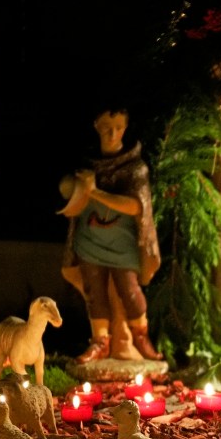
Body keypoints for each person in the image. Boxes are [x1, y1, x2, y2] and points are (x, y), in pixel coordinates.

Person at [59, 105, 163, 364]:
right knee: (95, 292)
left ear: (126, 128)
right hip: (90, 242)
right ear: (96, 126)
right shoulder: (87, 165)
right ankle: (100, 342)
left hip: (123, 244)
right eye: (106, 127)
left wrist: (94, 192)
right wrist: (75, 189)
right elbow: (72, 198)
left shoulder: (135, 168)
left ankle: (141, 337)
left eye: (118, 127)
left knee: (130, 290)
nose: (112, 133)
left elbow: (136, 206)